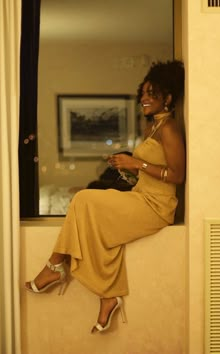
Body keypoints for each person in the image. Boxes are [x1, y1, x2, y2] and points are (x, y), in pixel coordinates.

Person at [25, 60, 185, 333]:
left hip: (157, 206)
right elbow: (149, 172)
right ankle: (106, 296)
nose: (144, 99)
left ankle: (57, 265)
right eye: (143, 93)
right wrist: (127, 168)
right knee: (88, 214)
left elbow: (177, 175)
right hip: (141, 195)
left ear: (168, 97)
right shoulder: (152, 129)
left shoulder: (168, 128)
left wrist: (137, 164)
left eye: (152, 93)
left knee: (84, 200)